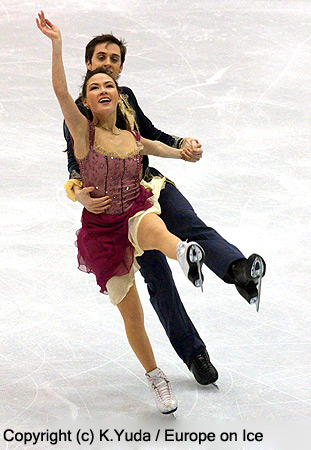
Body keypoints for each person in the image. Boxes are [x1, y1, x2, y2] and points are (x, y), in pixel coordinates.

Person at [63, 33, 266, 387]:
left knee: (190, 225)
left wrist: (180, 145)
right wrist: (78, 194)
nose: (107, 62)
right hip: (118, 212)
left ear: (121, 67)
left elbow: (149, 134)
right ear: (88, 65)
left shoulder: (125, 98)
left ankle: (239, 271)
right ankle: (194, 354)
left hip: (148, 182)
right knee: (159, 280)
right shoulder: (79, 114)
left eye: (114, 59)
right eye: (100, 57)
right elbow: (74, 164)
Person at [36, 11, 208, 415]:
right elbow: (62, 94)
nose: (103, 87)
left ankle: (184, 253)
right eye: (94, 85)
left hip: (132, 211)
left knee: (149, 224)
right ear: (88, 99)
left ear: (119, 92)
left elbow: (156, 146)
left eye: (109, 84)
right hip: (102, 231)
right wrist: (57, 44)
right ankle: (156, 376)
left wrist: (182, 150)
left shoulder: (129, 136)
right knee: (133, 315)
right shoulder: (83, 132)